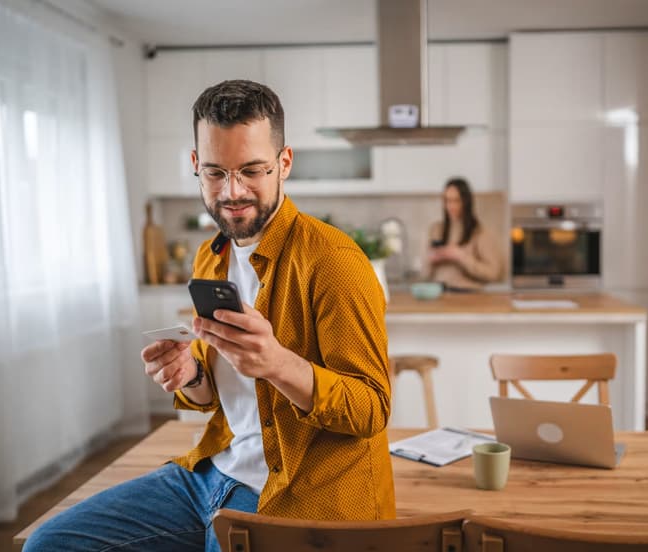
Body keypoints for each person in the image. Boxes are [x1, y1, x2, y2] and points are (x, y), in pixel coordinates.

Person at [24, 80, 395, 551]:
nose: (232, 191)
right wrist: (190, 373)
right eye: (216, 172)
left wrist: (277, 363)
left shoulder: (334, 262)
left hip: (296, 495)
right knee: (48, 544)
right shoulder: (210, 256)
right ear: (196, 166)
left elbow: (371, 410)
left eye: (252, 170)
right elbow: (216, 396)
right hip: (212, 474)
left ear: (284, 164)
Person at [423, 177, 504, 290]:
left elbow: (494, 273)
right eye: (447, 200)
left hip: (466, 296)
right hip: (439, 294)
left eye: (456, 200)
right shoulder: (437, 229)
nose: (450, 206)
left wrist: (461, 257)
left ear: (466, 202)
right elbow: (425, 275)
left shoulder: (480, 233)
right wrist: (431, 260)